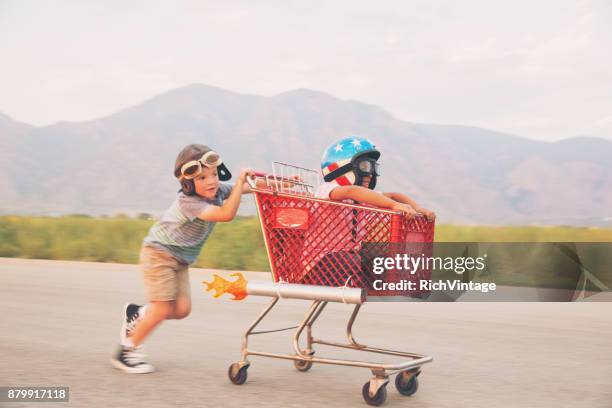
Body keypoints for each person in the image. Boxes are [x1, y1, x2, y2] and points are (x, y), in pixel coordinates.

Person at [111, 144, 255, 374]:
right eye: (202, 177)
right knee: (162, 308)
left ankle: (137, 314)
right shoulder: (189, 203)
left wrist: (281, 183)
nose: (211, 181)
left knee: (181, 309)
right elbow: (225, 214)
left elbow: (249, 186)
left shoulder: (218, 191)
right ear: (188, 183)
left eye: (214, 174)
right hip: (158, 254)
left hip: (180, 259)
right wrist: (239, 183)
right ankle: (126, 351)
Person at [317, 136, 435, 220]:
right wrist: (393, 205)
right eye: (365, 166)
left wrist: (418, 208)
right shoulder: (327, 190)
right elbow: (351, 191)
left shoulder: (364, 198)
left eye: (373, 168)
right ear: (342, 168)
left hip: (351, 253)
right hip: (325, 254)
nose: (370, 174)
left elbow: (394, 195)